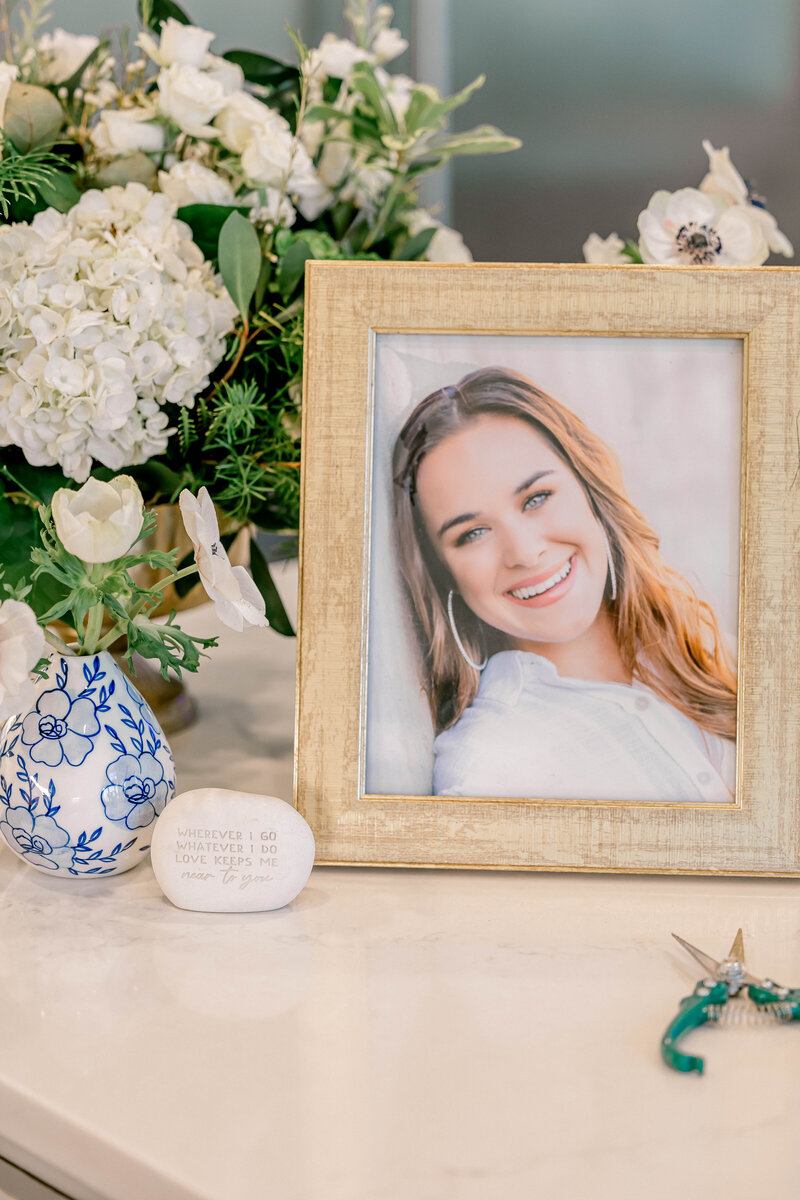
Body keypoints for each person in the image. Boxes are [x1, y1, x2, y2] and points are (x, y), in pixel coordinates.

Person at [391, 366, 737, 802]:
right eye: (472, 533)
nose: (525, 551)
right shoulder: (488, 772)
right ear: (444, 573)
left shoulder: (705, 647)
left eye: (536, 498)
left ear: (590, 490)